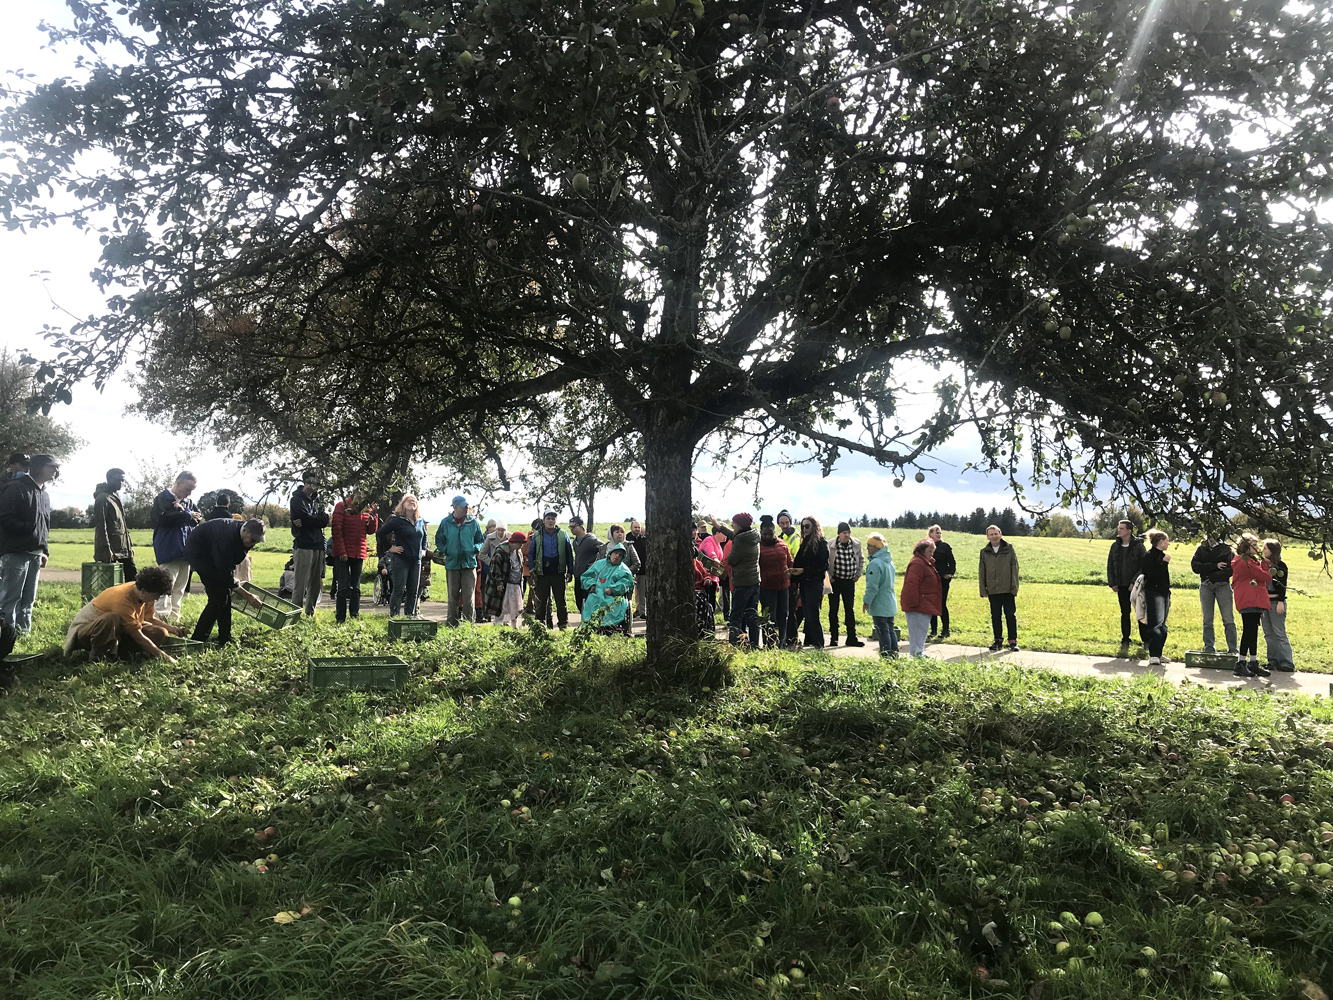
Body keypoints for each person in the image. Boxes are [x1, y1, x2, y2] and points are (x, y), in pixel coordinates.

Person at [64, 566, 188, 662]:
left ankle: (121, 654)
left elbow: (149, 618)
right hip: (87, 633)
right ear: (144, 591)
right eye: (155, 596)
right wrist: (165, 657)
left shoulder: (145, 597)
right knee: (111, 618)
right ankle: (98, 658)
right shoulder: (122, 599)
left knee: (160, 633)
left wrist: (174, 630)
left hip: (117, 632)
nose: (155, 600)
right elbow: (137, 635)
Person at [0, 454, 57, 637]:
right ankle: (6, 635)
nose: (57, 470)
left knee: (28, 598)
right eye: (53, 466)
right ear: (40, 467)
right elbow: (5, 517)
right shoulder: (16, 488)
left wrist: (44, 550)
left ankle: (23, 634)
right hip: (16, 552)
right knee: (11, 597)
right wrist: (28, 530)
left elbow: (45, 525)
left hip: (36, 554)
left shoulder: (45, 494)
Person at [186, 517, 265, 644]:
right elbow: (223, 572)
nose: (253, 543)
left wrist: (232, 581)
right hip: (200, 554)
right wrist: (247, 595)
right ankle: (197, 639)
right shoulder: (226, 539)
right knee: (218, 598)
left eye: (257, 541)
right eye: (253, 539)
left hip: (216, 554)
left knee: (225, 594)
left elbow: (231, 563)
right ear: (245, 531)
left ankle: (225, 637)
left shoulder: (244, 539)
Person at [151, 471, 202, 620]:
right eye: (187, 489)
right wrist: (187, 514)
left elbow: (197, 518)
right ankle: (160, 617)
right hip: (169, 549)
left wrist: (185, 512)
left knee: (179, 588)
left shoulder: (188, 503)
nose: (189, 494)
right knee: (165, 587)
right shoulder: (162, 499)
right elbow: (163, 519)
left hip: (185, 552)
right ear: (178, 483)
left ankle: (174, 618)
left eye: (192, 490)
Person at [434, 494, 487, 626]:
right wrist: (447, 550)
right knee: (453, 596)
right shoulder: (445, 522)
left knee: (469, 596)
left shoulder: (473, 522)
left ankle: (469, 625)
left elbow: (480, 540)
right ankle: (451, 623)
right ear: (455, 507)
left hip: (469, 564)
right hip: (452, 564)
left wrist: (474, 549)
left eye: (466, 506)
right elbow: (439, 540)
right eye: (463, 507)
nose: (466, 509)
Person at [330, 493, 379, 622]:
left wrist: (374, 516)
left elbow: (370, 530)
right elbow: (336, 530)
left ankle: (354, 616)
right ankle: (340, 618)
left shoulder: (366, 509)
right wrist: (341, 552)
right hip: (343, 552)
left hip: (359, 552)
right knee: (343, 587)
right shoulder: (342, 506)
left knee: (356, 587)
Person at [1231, 533, 1273, 678]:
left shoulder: (1250, 561)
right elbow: (1266, 577)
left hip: (1253, 599)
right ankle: (1241, 662)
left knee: (1253, 631)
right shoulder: (1246, 563)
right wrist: (1266, 566)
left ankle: (1253, 661)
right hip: (1249, 599)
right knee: (1248, 631)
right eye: (1254, 545)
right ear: (1246, 547)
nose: (1257, 548)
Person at [1191, 532, 1239, 656]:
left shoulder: (1226, 550)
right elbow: (1195, 566)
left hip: (1222, 585)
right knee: (1207, 618)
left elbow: (1230, 570)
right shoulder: (1202, 548)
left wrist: (1212, 575)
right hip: (1206, 586)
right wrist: (1215, 566)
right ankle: (1209, 647)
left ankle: (1233, 648)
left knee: (1228, 618)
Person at [379, 495, 426, 619]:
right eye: (409, 501)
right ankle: (394, 617)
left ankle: (409, 617)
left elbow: (424, 536)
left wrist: (424, 549)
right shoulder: (397, 520)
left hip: (416, 561)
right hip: (401, 560)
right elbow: (381, 533)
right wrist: (390, 548)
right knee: (398, 589)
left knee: (413, 592)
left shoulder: (420, 521)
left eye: (414, 501)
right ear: (403, 505)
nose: (412, 502)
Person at [289, 479, 330, 617]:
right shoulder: (296, 500)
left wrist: (310, 520)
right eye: (312, 483)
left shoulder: (318, 501)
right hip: (303, 545)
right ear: (306, 483)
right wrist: (315, 519)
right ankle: (295, 615)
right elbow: (303, 516)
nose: (315, 487)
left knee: (315, 583)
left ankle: (310, 614)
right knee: (300, 583)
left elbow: (325, 520)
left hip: (318, 544)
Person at [528, 510, 574, 629]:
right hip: (542, 573)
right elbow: (531, 553)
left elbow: (569, 554)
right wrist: (532, 570)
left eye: (553, 518)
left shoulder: (563, 534)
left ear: (556, 521)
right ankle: (540, 627)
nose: (550, 521)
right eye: (548, 518)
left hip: (558, 572)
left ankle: (563, 625)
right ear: (544, 520)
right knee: (541, 601)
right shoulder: (537, 535)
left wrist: (570, 571)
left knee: (561, 601)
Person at [1106, 519, 1147, 649]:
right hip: (1121, 585)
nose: (1119, 530)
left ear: (1129, 531)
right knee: (1125, 612)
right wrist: (1112, 583)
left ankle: (1146, 640)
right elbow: (1110, 565)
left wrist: (1134, 582)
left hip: (1136, 586)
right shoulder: (1115, 546)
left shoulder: (1138, 546)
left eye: (1122, 528)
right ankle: (1125, 640)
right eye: (1119, 528)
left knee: (1140, 612)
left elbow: (1144, 566)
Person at [978, 524, 1020, 652]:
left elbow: (1015, 568)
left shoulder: (1009, 549)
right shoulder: (984, 552)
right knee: (995, 615)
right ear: (987, 537)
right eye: (991, 534)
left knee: (1010, 615)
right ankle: (998, 640)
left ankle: (1013, 641)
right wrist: (983, 590)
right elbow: (982, 571)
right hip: (992, 589)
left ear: (1000, 535)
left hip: (1007, 589)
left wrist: (1014, 587)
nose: (994, 536)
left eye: (996, 534)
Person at [579, 542, 636, 634]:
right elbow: (587, 576)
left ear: (622, 558)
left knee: (617, 604)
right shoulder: (599, 564)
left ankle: (610, 625)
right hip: (596, 593)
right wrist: (591, 585)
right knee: (591, 601)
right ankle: (591, 624)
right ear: (610, 553)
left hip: (614, 596)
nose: (617, 556)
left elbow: (625, 583)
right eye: (615, 553)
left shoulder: (624, 570)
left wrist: (613, 589)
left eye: (620, 555)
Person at [791, 515, 830, 648]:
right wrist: (794, 574)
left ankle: (819, 644)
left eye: (807, 526)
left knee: (813, 615)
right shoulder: (805, 541)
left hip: (814, 583)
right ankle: (813, 642)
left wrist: (804, 571)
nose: (804, 529)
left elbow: (823, 566)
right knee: (808, 615)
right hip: (804, 582)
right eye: (802, 526)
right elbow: (798, 562)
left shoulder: (821, 542)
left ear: (814, 527)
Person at [900, 537, 943, 657]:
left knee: (922, 631)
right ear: (922, 550)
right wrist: (913, 603)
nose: (932, 554)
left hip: (924, 603)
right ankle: (917, 655)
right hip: (917, 604)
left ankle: (919, 652)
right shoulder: (918, 563)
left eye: (933, 551)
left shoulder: (925, 563)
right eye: (930, 551)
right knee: (917, 632)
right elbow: (912, 584)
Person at [92, 467, 136, 582]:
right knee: (109, 582)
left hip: (123, 549)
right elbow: (101, 526)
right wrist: (106, 550)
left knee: (132, 578)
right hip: (111, 549)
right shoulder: (102, 499)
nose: (121, 483)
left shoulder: (115, 497)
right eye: (118, 480)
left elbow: (122, 525)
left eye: (123, 480)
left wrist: (129, 547)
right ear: (109, 479)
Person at [725, 512, 761, 648]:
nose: (732, 525)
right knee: (752, 615)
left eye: (734, 523)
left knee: (736, 615)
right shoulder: (753, 536)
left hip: (742, 583)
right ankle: (754, 644)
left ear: (739, 525)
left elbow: (732, 560)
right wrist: (719, 526)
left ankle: (735, 644)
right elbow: (734, 535)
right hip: (754, 581)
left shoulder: (740, 541)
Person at [757, 515, 794, 649]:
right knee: (768, 617)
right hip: (766, 588)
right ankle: (769, 644)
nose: (768, 536)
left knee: (783, 615)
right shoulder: (758, 547)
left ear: (774, 532)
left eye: (770, 534)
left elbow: (790, 564)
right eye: (765, 534)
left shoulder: (782, 545)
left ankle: (781, 644)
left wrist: (793, 579)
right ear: (761, 533)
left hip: (783, 586)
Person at [827, 521, 864, 647]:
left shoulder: (856, 543)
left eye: (848, 532)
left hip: (849, 581)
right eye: (844, 533)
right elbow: (826, 562)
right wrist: (829, 577)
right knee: (834, 610)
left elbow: (861, 559)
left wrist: (858, 573)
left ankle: (851, 637)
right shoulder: (830, 545)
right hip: (835, 581)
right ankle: (834, 638)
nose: (847, 535)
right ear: (839, 534)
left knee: (850, 609)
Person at [1140, 529, 1174, 667]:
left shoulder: (1162, 555)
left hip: (1164, 593)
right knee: (1155, 624)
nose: (1168, 543)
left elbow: (1165, 579)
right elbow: (1152, 575)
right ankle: (1153, 654)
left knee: (1163, 625)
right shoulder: (1149, 556)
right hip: (1154, 593)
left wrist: (1168, 594)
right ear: (1160, 542)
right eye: (1166, 541)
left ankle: (1159, 653)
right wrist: (1164, 563)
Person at [862, 533, 899, 658]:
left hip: (880, 603)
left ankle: (885, 655)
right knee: (890, 629)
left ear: (876, 547)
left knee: (882, 631)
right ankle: (894, 654)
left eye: (869, 546)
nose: (867, 548)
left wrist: (866, 601)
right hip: (890, 602)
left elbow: (872, 587)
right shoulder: (889, 562)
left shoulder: (875, 564)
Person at [1260, 539, 1294, 673]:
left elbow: (1282, 586)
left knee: (1279, 632)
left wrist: (1280, 601)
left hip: (1275, 602)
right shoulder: (1262, 564)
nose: (1263, 551)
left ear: (1273, 551)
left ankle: (1287, 662)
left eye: (1266, 548)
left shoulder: (1280, 566)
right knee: (1268, 633)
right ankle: (1272, 660)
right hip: (1264, 602)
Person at [484, 530, 527, 627]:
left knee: (515, 606)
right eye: (520, 544)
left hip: (515, 584)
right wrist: (499, 582)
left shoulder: (518, 552)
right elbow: (495, 568)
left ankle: (513, 625)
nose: (521, 546)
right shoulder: (500, 551)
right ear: (514, 543)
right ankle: (498, 625)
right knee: (501, 605)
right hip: (504, 583)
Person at [776, 510, 802, 642]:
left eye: (787, 522)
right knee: (786, 609)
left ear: (790, 522)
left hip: (792, 579)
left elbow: (795, 559)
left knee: (791, 610)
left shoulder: (794, 537)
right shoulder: (781, 536)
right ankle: (787, 637)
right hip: (784, 578)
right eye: (782, 522)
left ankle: (792, 638)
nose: (785, 525)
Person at [569, 516, 603, 613]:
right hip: (578, 575)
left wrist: (596, 563)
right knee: (579, 601)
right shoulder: (575, 542)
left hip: (589, 576)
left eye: (573, 527)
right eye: (570, 527)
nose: (571, 529)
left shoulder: (591, 540)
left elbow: (604, 549)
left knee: (589, 600)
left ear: (580, 526)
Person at [927, 525, 955, 639]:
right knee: (931, 604)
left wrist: (950, 574)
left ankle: (945, 630)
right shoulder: (926, 547)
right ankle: (933, 630)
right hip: (930, 580)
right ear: (930, 535)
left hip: (943, 579)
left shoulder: (945, 546)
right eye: (936, 532)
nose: (939, 534)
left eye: (940, 533)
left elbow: (952, 562)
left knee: (942, 604)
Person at [628, 520, 648, 618]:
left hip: (643, 571)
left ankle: (642, 612)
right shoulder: (627, 539)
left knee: (642, 593)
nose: (637, 529)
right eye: (635, 527)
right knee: (629, 592)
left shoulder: (644, 540)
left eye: (638, 527)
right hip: (630, 571)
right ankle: (627, 612)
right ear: (631, 528)